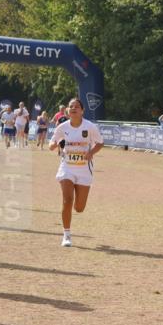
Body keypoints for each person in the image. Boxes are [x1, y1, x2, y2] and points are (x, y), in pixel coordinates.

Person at [49, 97, 104, 247]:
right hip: (67, 167)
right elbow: (51, 144)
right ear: (67, 110)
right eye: (70, 106)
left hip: (84, 170)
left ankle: (75, 207)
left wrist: (91, 152)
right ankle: (66, 235)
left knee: (79, 208)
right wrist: (55, 145)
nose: (73, 108)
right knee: (67, 200)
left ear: (82, 110)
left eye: (76, 106)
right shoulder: (62, 127)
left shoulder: (90, 127)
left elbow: (100, 143)